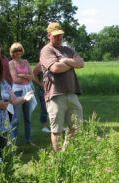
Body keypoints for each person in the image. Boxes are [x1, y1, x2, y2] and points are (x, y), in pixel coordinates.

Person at [39, 22, 84, 151]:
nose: (59, 38)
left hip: (72, 92)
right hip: (55, 95)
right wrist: (72, 63)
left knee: (76, 127)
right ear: (49, 35)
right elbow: (55, 68)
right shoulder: (46, 50)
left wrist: (65, 61)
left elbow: (81, 63)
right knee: (57, 130)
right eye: (55, 35)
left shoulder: (67, 50)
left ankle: (65, 152)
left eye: (60, 35)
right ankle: (59, 160)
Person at [8, 42, 38, 144]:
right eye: (16, 51)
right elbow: (15, 79)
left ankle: (28, 140)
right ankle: (13, 142)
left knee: (28, 118)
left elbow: (32, 77)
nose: (18, 52)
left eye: (19, 50)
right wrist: (26, 76)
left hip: (28, 90)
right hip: (17, 91)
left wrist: (21, 75)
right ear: (12, 52)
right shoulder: (11, 63)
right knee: (15, 119)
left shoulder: (25, 61)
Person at [32, 62, 50, 133]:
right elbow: (33, 76)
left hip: (54, 89)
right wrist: (40, 84)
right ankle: (44, 127)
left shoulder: (53, 61)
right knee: (44, 108)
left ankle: (56, 125)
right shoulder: (40, 65)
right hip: (44, 90)